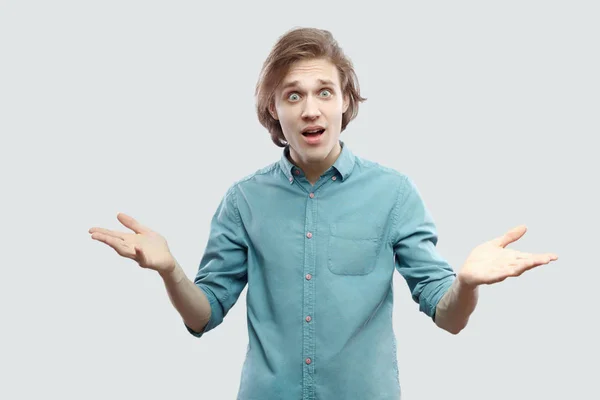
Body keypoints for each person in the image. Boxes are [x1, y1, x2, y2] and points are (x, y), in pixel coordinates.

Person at [89, 27, 558, 400]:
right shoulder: (243, 200)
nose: (311, 109)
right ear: (274, 109)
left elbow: (448, 317)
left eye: (324, 92)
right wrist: (170, 271)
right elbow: (204, 316)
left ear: (346, 101)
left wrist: (466, 284)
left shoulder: (393, 193)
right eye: (293, 95)